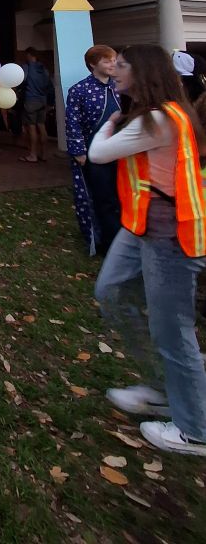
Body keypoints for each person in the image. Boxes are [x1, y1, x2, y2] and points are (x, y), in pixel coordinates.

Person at [90, 44, 206, 456]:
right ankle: (161, 386)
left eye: (120, 65)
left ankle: (194, 429)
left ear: (143, 72)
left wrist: (111, 121)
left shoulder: (159, 119)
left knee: (173, 331)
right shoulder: (157, 114)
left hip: (171, 236)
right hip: (139, 226)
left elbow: (98, 153)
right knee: (110, 292)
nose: (113, 69)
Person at [65, 45, 121, 255]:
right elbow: (73, 122)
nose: (112, 65)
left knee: (119, 194)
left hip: (120, 150)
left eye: (114, 60)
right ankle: (106, 240)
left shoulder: (119, 88)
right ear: (93, 64)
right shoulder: (79, 90)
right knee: (101, 196)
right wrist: (78, 151)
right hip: (93, 153)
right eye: (107, 61)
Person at [19, 47, 54, 163]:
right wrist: (50, 102)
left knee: (32, 127)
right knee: (42, 126)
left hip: (31, 100)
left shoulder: (27, 67)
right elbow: (50, 87)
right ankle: (44, 154)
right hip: (42, 100)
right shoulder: (44, 69)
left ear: (29, 55)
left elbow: (21, 81)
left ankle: (32, 155)